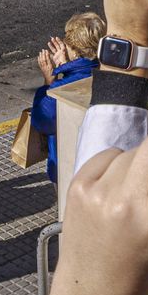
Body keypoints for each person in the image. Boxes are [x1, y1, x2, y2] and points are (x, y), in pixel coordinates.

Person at [31, 12, 105, 184]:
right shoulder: (109, 73)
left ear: (74, 49)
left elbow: (43, 121)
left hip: (69, 168)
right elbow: (83, 74)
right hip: (101, 163)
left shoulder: (61, 89)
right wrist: (66, 66)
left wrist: (49, 81)